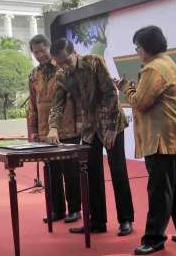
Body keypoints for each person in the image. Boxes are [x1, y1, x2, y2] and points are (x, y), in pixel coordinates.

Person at [116, 25, 176, 255]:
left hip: (160, 139)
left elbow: (141, 102)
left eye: (138, 47)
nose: (137, 52)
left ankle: (154, 238)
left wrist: (126, 87)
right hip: (171, 136)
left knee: (159, 190)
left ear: (146, 48)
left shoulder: (153, 69)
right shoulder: (168, 63)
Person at [48, 38, 134, 237]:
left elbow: (110, 94)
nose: (64, 66)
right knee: (91, 174)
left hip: (111, 123)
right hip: (89, 128)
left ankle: (126, 219)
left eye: (66, 61)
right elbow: (57, 105)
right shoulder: (62, 76)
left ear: (75, 53)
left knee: (118, 171)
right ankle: (97, 221)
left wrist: (112, 128)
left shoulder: (94, 62)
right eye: (59, 63)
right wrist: (53, 127)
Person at [27, 34, 82, 224]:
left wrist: (79, 122)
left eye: (42, 50)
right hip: (44, 132)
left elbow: (76, 98)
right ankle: (56, 210)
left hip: (67, 128)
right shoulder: (34, 74)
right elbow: (32, 104)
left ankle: (75, 209)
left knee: (71, 172)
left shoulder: (64, 66)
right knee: (51, 173)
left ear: (50, 48)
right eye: (35, 52)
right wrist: (32, 130)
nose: (40, 55)